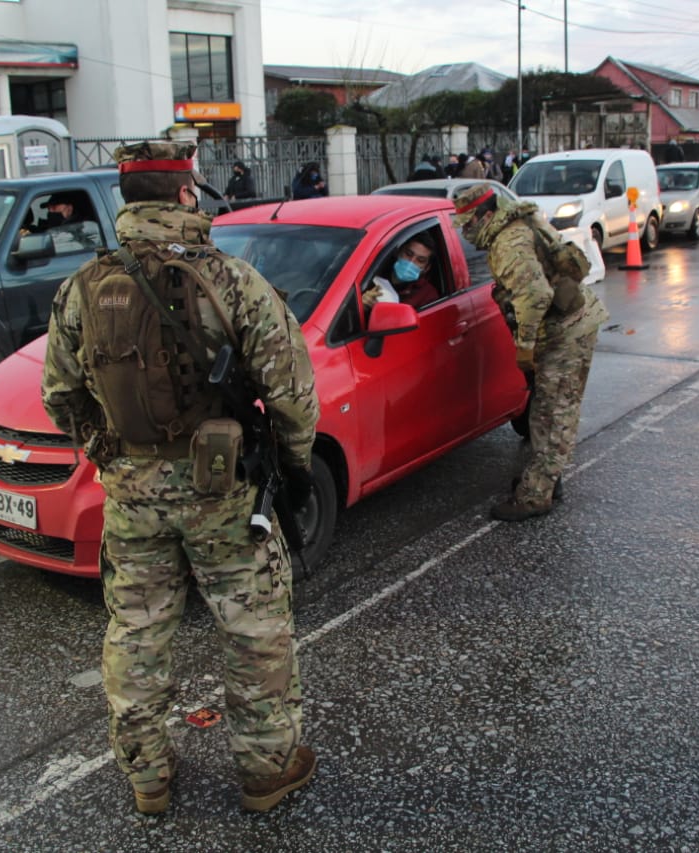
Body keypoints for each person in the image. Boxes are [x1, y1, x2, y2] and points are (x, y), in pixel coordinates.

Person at [41, 139, 321, 815]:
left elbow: (59, 392)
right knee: (253, 628)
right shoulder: (229, 279)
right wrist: (294, 465)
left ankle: (147, 777)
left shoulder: (81, 287)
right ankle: (267, 769)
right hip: (222, 490)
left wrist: (109, 452)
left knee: (136, 632)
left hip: (131, 496)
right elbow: (291, 389)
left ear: (127, 202)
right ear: (186, 194)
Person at [452, 183, 608, 522]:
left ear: (487, 215)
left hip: (565, 332)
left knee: (553, 415)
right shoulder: (513, 226)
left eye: (469, 224)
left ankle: (536, 497)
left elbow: (535, 295)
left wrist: (526, 344)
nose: (465, 232)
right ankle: (546, 481)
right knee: (544, 408)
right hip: (563, 326)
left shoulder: (509, 243)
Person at [360, 234, 439, 310]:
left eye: (420, 260)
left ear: (426, 268)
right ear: (399, 252)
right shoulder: (372, 273)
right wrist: (362, 304)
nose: (411, 261)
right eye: (408, 254)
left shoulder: (427, 295)